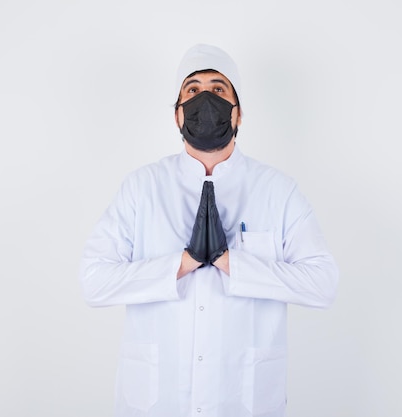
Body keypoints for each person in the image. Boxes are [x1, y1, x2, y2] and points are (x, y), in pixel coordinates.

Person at [79, 43, 338, 417]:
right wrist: (180, 265)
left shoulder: (278, 190)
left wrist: (233, 263)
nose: (205, 99)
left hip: (244, 401)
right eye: (193, 90)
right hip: (157, 400)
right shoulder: (142, 187)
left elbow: (323, 284)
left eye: (218, 90)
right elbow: (93, 280)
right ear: (177, 114)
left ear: (238, 114)